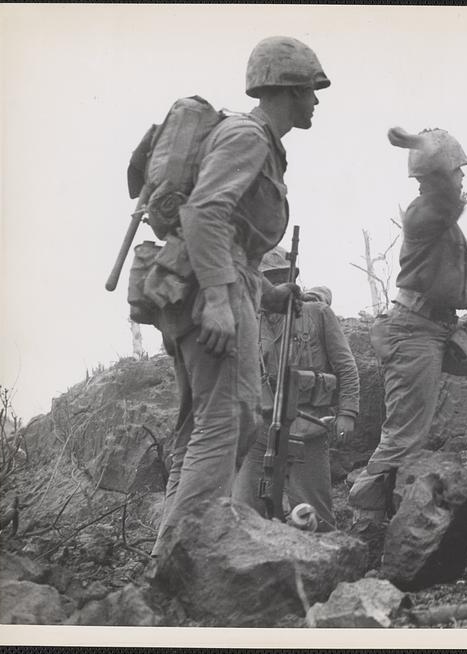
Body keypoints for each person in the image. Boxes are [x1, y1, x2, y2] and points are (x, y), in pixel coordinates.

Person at [151, 36, 331, 559]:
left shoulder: (252, 138)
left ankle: (171, 557)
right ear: (288, 90)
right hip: (213, 285)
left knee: (200, 430)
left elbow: (230, 232)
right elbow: (205, 213)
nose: (315, 101)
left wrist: (267, 293)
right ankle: (192, 558)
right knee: (231, 420)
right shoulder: (250, 135)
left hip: (218, 280)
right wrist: (218, 299)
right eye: (310, 90)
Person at [348, 126, 467, 529]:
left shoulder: (445, 227)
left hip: (440, 328)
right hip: (411, 332)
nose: (462, 178)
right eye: (456, 170)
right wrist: (428, 152)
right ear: (438, 175)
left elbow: (450, 282)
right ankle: (367, 519)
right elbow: (447, 200)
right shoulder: (425, 213)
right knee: (405, 436)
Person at [232, 247, 359, 531]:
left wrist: (348, 412)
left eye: (280, 277)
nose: (274, 284)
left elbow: (346, 366)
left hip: (307, 427)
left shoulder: (317, 313)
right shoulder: (249, 319)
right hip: (260, 431)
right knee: (244, 512)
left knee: (315, 516)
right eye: (268, 278)